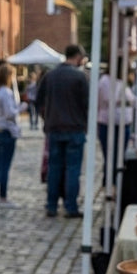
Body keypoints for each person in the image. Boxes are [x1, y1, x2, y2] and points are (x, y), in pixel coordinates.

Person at [35, 44, 88, 218]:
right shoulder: (80, 77)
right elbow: (87, 104)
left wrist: (47, 118)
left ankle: (51, 205)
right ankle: (70, 206)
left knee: (54, 168)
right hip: (74, 128)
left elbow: (39, 101)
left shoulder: (50, 75)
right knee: (72, 169)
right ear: (78, 56)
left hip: (55, 127)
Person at [0, 62, 25, 208]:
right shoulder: (5, 92)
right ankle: (2, 197)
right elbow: (10, 114)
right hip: (5, 131)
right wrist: (21, 108)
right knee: (4, 166)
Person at [96, 69, 137, 186]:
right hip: (108, 123)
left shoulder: (122, 83)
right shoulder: (106, 81)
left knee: (118, 156)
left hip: (122, 124)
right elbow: (110, 99)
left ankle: (114, 181)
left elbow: (132, 100)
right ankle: (110, 181)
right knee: (110, 156)